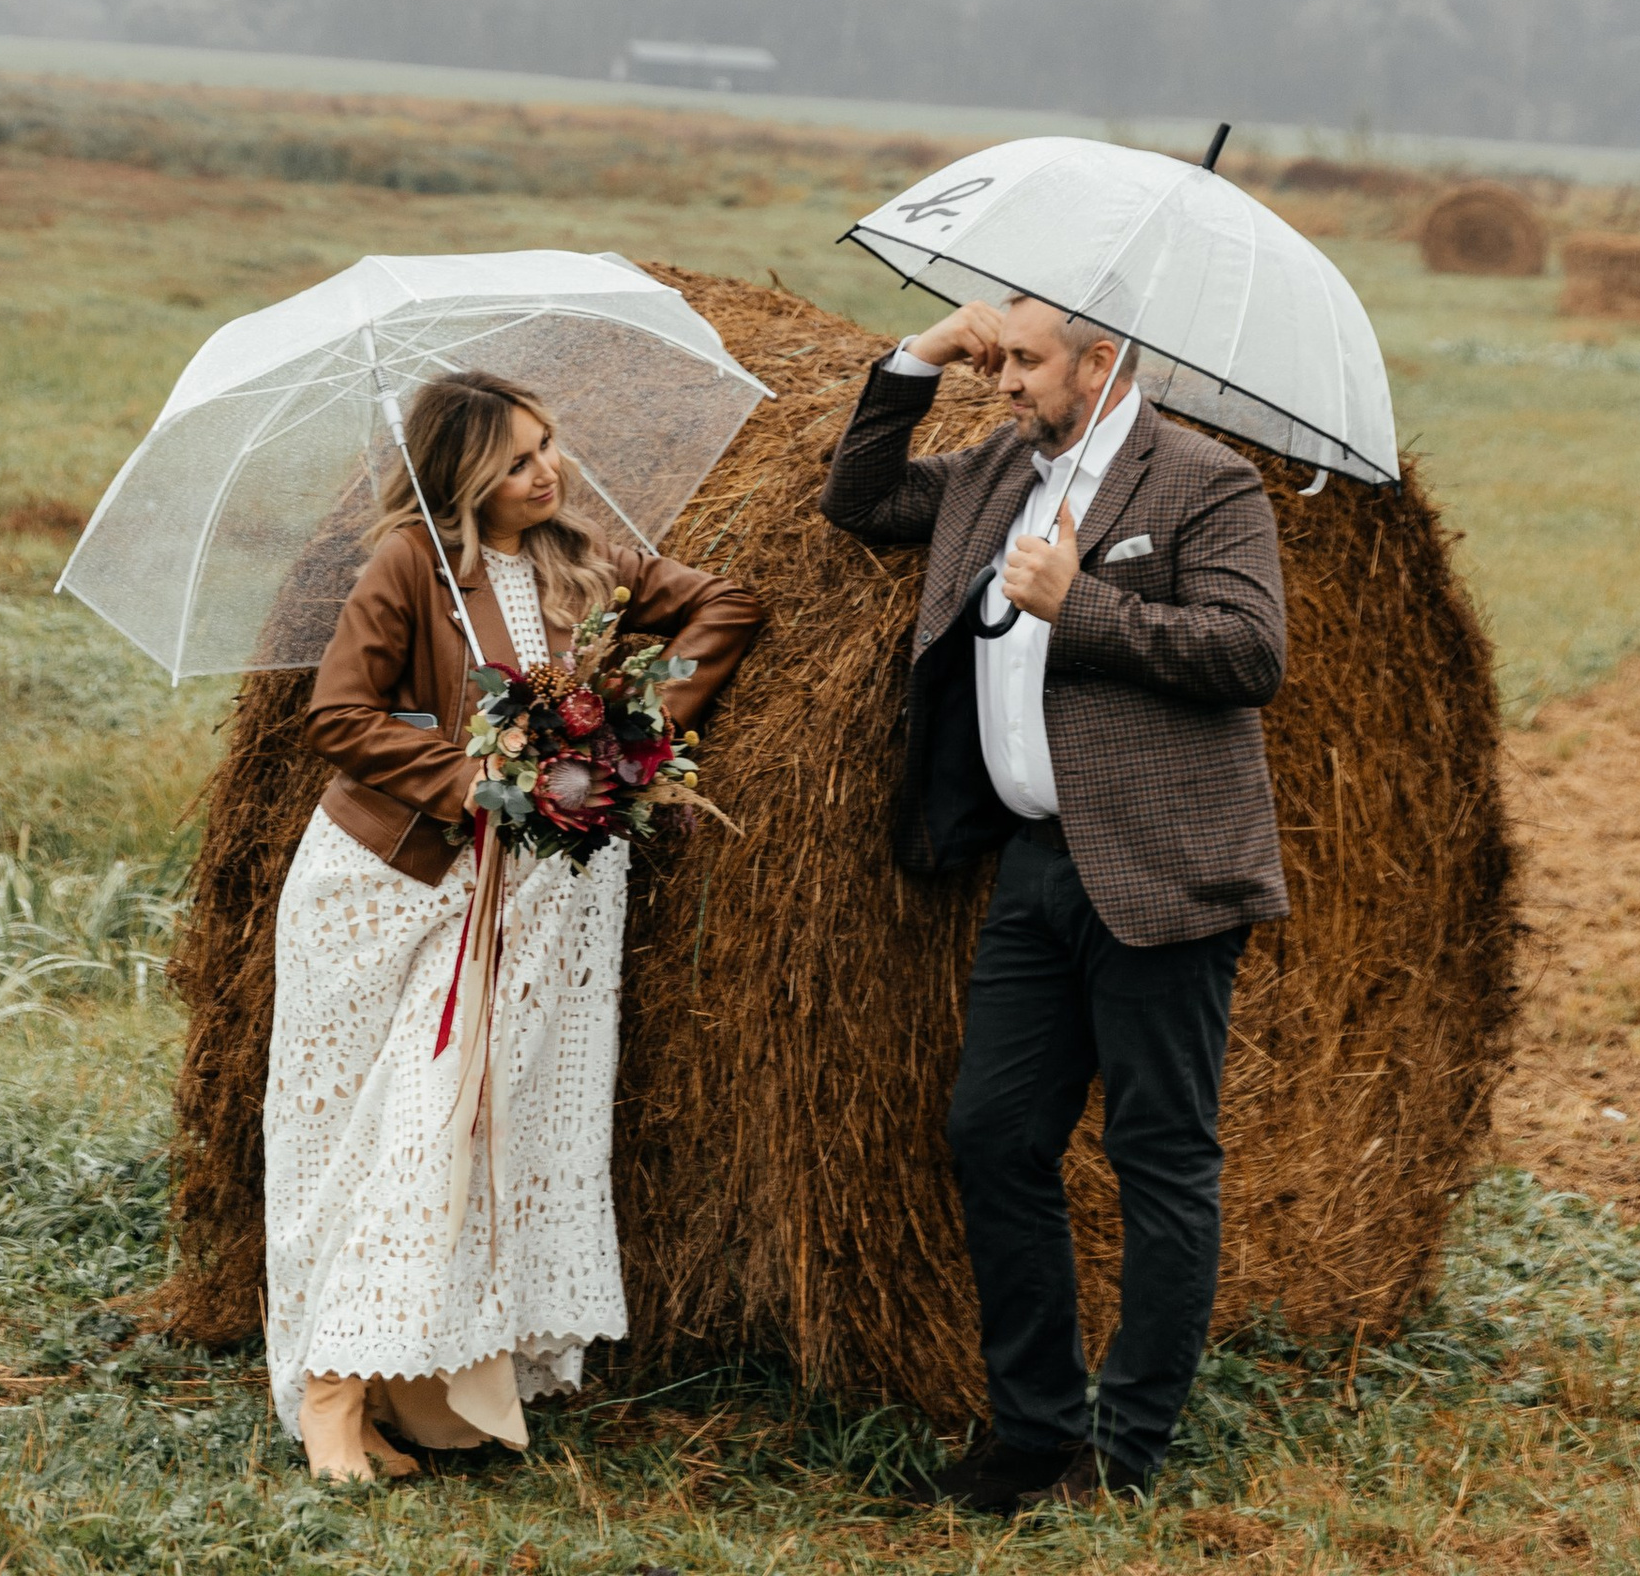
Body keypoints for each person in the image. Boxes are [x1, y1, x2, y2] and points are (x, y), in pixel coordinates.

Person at [822, 289, 1288, 1514]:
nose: (1007, 379)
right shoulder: (994, 468)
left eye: (1027, 362)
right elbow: (859, 501)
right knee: (992, 1135)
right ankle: (1030, 1432)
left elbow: (1251, 653)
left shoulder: (1203, 481)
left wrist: (1077, 607)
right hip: (1033, 865)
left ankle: (1123, 1453)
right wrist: (917, 354)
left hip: (1164, 869)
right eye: (1003, 356)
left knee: (1158, 1159)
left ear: (1102, 360)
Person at [263, 368, 762, 1484]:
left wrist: (630, 735)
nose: (550, 471)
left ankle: (422, 1385)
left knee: (465, 1132)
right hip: (396, 882)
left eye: (549, 446)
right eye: (521, 460)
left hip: (530, 894)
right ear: (463, 476)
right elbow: (339, 715)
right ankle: (335, 1390)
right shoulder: (409, 563)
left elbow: (725, 606)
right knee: (389, 1131)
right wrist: (484, 774)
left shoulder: (578, 554)